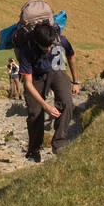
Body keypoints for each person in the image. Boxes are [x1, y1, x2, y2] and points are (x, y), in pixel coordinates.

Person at [17, 20, 80, 162]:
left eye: (51, 45)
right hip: (36, 76)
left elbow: (71, 56)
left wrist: (75, 81)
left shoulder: (60, 40)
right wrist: (45, 106)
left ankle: (59, 143)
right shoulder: (27, 49)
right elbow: (28, 84)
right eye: (47, 47)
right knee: (35, 112)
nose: (50, 48)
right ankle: (34, 150)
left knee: (67, 103)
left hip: (57, 69)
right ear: (37, 42)